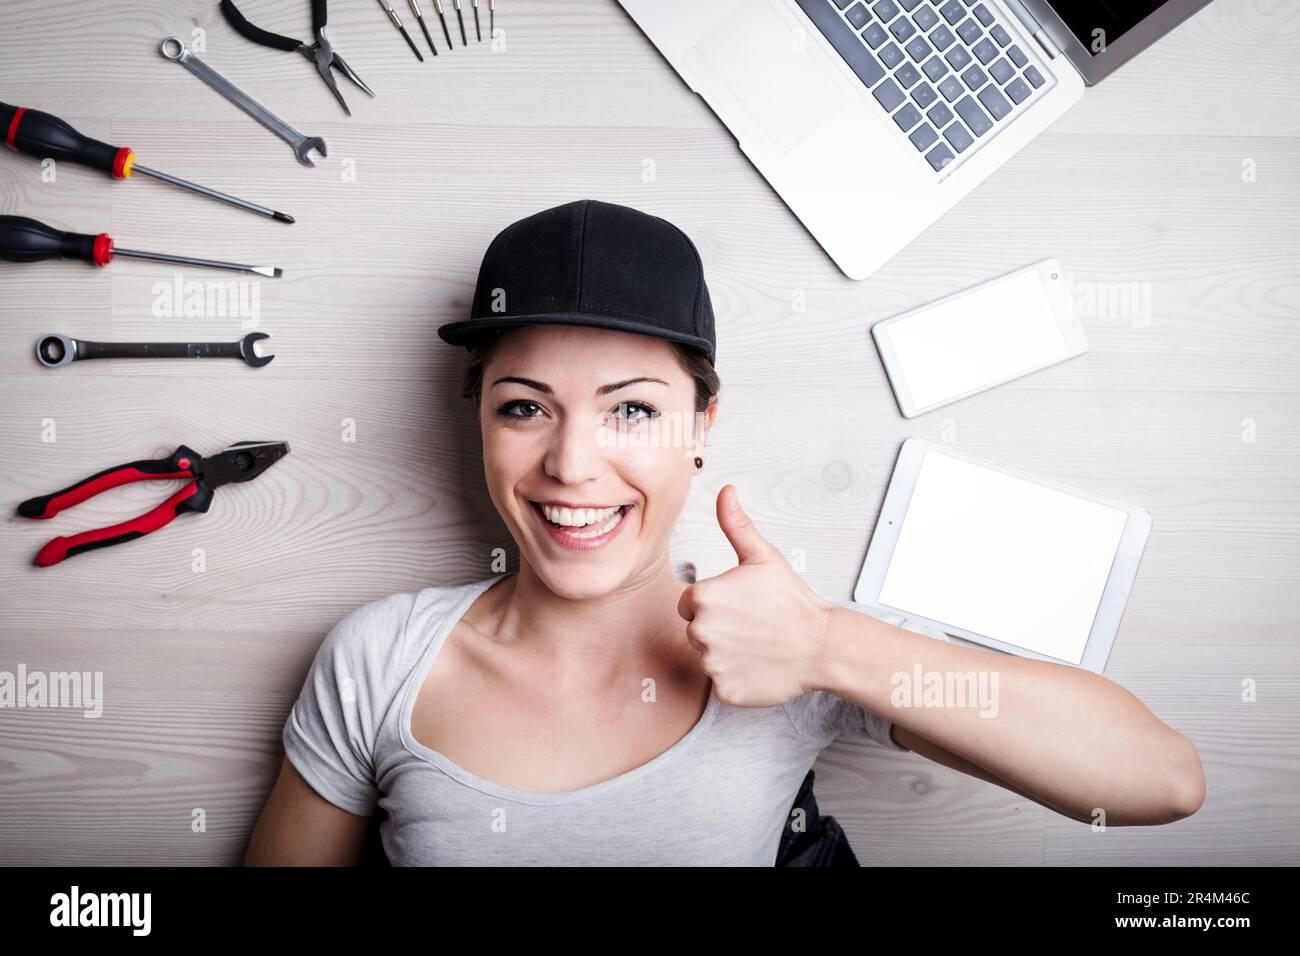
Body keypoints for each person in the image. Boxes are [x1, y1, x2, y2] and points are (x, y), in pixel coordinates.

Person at [244, 199, 1205, 866]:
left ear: (702, 425)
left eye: (631, 411)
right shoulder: (380, 660)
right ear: (479, 420)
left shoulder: (791, 655)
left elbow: (1159, 779)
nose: (573, 465)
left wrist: (832, 646)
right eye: (526, 407)